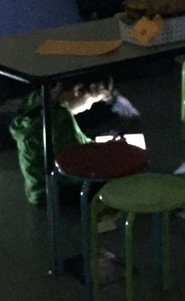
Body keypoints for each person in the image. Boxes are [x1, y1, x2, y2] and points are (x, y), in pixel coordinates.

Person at [9, 75, 115, 205]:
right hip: (55, 191)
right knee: (112, 183)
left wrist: (92, 143)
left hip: (37, 188)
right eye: (91, 102)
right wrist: (108, 151)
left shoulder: (37, 99)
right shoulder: (60, 117)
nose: (89, 108)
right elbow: (77, 161)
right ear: (79, 90)